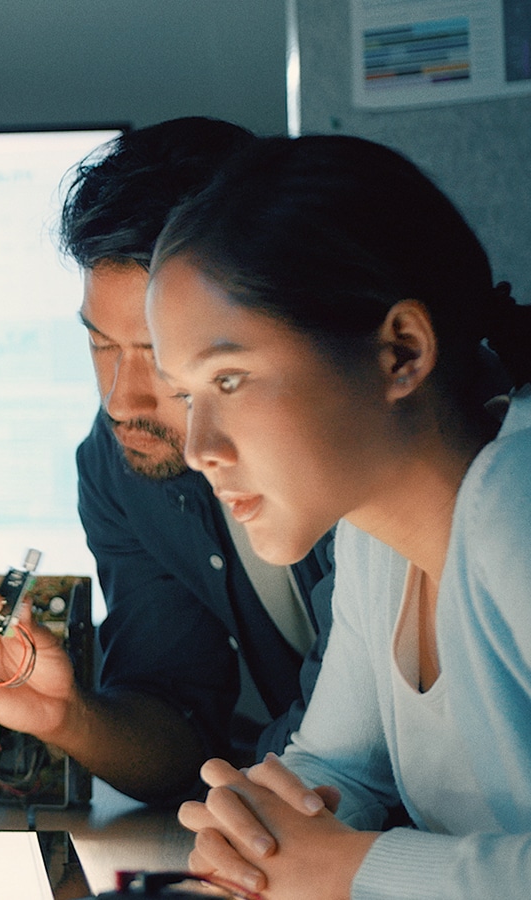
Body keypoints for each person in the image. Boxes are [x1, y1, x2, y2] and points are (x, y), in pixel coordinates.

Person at [153, 135, 531, 899]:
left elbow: (339, 858)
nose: (198, 448)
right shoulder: (372, 536)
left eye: (231, 378)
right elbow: (334, 770)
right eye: (188, 395)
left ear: (401, 352)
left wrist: (349, 867)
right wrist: (257, 831)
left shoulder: (515, 501)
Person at [0, 118, 335, 804]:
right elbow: (178, 735)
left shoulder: (357, 450)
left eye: (158, 352)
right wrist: (67, 716)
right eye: (101, 346)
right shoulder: (121, 465)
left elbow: (355, 762)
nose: (122, 401)